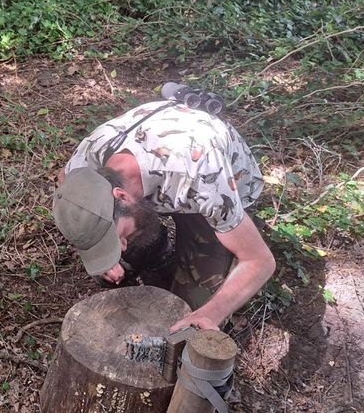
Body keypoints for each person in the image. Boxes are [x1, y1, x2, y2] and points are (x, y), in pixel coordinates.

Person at [52, 93, 275, 332]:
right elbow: (65, 183)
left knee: (188, 313)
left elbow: (259, 261)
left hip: (213, 186)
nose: (122, 246)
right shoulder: (88, 162)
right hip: (158, 183)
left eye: (119, 237)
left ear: (121, 197)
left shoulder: (204, 178)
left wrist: (211, 314)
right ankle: (159, 255)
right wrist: (103, 250)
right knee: (106, 268)